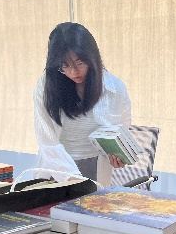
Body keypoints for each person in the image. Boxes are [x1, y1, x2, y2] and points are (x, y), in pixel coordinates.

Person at [34, 22, 132, 187]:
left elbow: (122, 129)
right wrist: (73, 178)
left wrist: (119, 155)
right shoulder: (45, 86)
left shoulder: (115, 87)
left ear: (91, 56)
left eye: (79, 63)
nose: (73, 72)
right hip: (56, 170)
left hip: (95, 169)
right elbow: (47, 141)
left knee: (94, 202)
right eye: (64, 65)